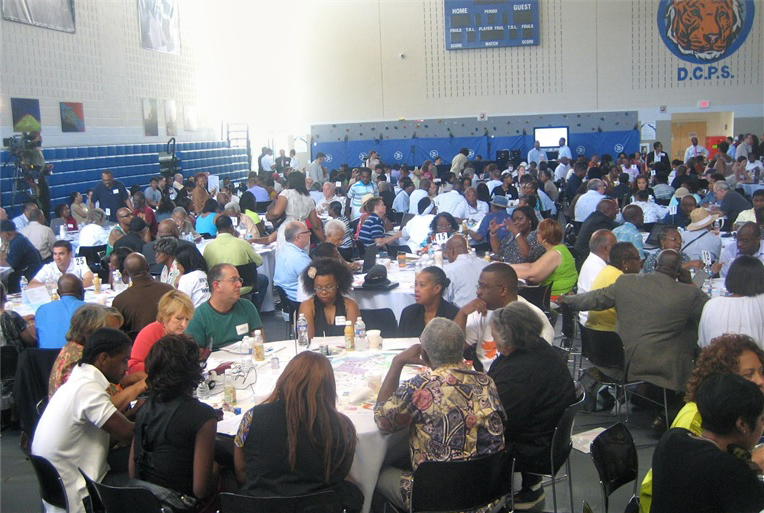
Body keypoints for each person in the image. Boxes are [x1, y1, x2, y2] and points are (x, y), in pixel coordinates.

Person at [373, 318, 506, 512]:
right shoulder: (487, 382)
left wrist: (397, 363)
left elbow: (382, 419)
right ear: (462, 347)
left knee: (374, 472)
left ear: (425, 355)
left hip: (437, 498)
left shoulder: (419, 387)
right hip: (489, 494)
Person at [639, 334, 764, 512]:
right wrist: (750, 463)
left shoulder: (674, 437)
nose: (760, 381)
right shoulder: (692, 421)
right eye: (749, 374)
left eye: (762, 372)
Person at [560, 250, 708, 393]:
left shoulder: (626, 282)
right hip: (660, 366)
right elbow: (709, 312)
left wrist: (566, 300)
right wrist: (689, 283)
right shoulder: (688, 293)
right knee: (689, 330)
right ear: (679, 271)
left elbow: (595, 298)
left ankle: (644, 392)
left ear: (655, 264)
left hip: (619, 358)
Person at [233, 352, 362, 512]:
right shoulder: (342, 427)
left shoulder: (252, 417)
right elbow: (340, 474)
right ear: (329, 388)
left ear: (285, 379)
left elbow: (241, 470)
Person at [33, 328, 136, 513]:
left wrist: (137, 411)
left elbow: (107, 432)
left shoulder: (78, 381)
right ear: (104, 359)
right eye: (123, 360)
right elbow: (130, 435)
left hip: (61, 483)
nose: (127, 367)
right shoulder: (87, 389)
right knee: (150, 474)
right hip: (79, 492)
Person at [488, 301, 576, 509]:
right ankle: (528, 486)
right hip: (547, 436)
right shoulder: (539, 348)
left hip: (533, 448)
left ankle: (488, 496)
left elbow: (500, 423)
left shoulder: (520, 373)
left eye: (494, 335)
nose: (492, 339)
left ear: (507, 340)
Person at [130, 334, 218, 505]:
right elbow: (200, 490)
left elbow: (133, 471)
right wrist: (215, 468)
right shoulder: (203, 416)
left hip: (145, 502)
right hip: (180, 504)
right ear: (194, 370)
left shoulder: (145, 408)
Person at [186, 264, 264, 351]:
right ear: (216, 286)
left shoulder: (247, 307)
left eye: (239, 280)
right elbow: (197, 357)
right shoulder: (198, 317)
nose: (239, 284)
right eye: (233, 280)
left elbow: (260, 344)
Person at [698, 256, 764, 347]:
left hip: (717, 359)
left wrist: (707, 271)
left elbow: (703, 343)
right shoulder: (761, 302)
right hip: (756, 359)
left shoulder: (712, 304)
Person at [127, 289, 194, 374]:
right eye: (179, 318)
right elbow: (132, 367)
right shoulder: (150, 332)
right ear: (165, 315)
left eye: (187, 319)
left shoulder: (180, 334)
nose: (184, 324)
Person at [511, 219, 578, 297]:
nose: (536, 235)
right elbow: (531, 266)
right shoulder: (560, 248)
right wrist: (506, 266)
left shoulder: (555, 254)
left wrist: (506, 272)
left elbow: (533, 276)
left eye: (538, 233)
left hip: (556, 299)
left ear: (545, 238)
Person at [203, 215, 266, 298]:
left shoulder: (208, 247)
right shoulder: (243, 244)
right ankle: (254, 309)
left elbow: (206, 268)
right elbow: (259, 262)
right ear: (231, 227)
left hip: (219, 287)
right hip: (243, 286)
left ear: (217, 229)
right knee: (263, 280)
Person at [585, 243, 641, 334]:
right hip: (611, 335)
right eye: (637, 258)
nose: (640, 261)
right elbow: (635, 312)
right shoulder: (621, 280)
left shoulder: (606, 270)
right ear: (625, 263)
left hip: (593, 333)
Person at [112, 253, 174, 335]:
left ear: (125, 272)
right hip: (167, 341)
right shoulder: (168, 290)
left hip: (135, 344)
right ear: (148, 267)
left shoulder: (120, 300)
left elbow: (116, 331)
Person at [298, 258, 359, 340]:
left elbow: (354, 338)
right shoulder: (307, 306)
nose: (324, 292)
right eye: (318, 288)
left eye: (329, 287)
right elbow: (307, 340)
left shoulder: (350, 305)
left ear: (338, 284)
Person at [268, 172, 324, 251]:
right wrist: (326, 241)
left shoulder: (286, 193)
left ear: (290, 182)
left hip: (288, 229)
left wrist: (269, 214)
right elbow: (316, 226)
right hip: (303, 230)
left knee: (285, 258)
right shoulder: (309, 199)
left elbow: (276, 212)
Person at [399, 266, 460, 338]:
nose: (416, 289)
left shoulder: (453, 314)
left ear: (437, 289)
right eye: (416, 284)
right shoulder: (408, 313)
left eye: (422, 285)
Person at [35, 274, 86, 350]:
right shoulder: (90, 310)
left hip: (45, 359)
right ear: (82, 291)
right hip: (76, 359)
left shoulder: (42, 309)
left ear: (58, 293)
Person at [577, 229, 616, 324]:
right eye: (615, 246)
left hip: (589, 317)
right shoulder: (599, 269)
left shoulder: (592, 262)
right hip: (594, 322)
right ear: (605, 249)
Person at [442, 234, 490, 308]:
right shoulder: (486, 264)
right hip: (488, 313)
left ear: (451, 250)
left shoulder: (449, 270)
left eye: (446, 252)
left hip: (461, 316)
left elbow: (444, 302)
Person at [274, 221, 313, 302]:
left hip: (288, 297)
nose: (310, 234)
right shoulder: (299, 258)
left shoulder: (285, 249)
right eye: (307, 232)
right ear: (298, 237)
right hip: (298, 300)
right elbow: (314, 279)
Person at [0, 219, 43, 293]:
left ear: (7, 233)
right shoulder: (17, 239)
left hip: (28, 275)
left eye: (1, 233)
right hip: (26, 272)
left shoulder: (18, 242)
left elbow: (9, 264)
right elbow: (7, 256)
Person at [175, 244, 211, 308]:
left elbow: (180, 304)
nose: (177, 267)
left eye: (178, 263)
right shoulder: (204, 274)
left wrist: (176, 286)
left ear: (185, 262)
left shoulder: (186, 278)